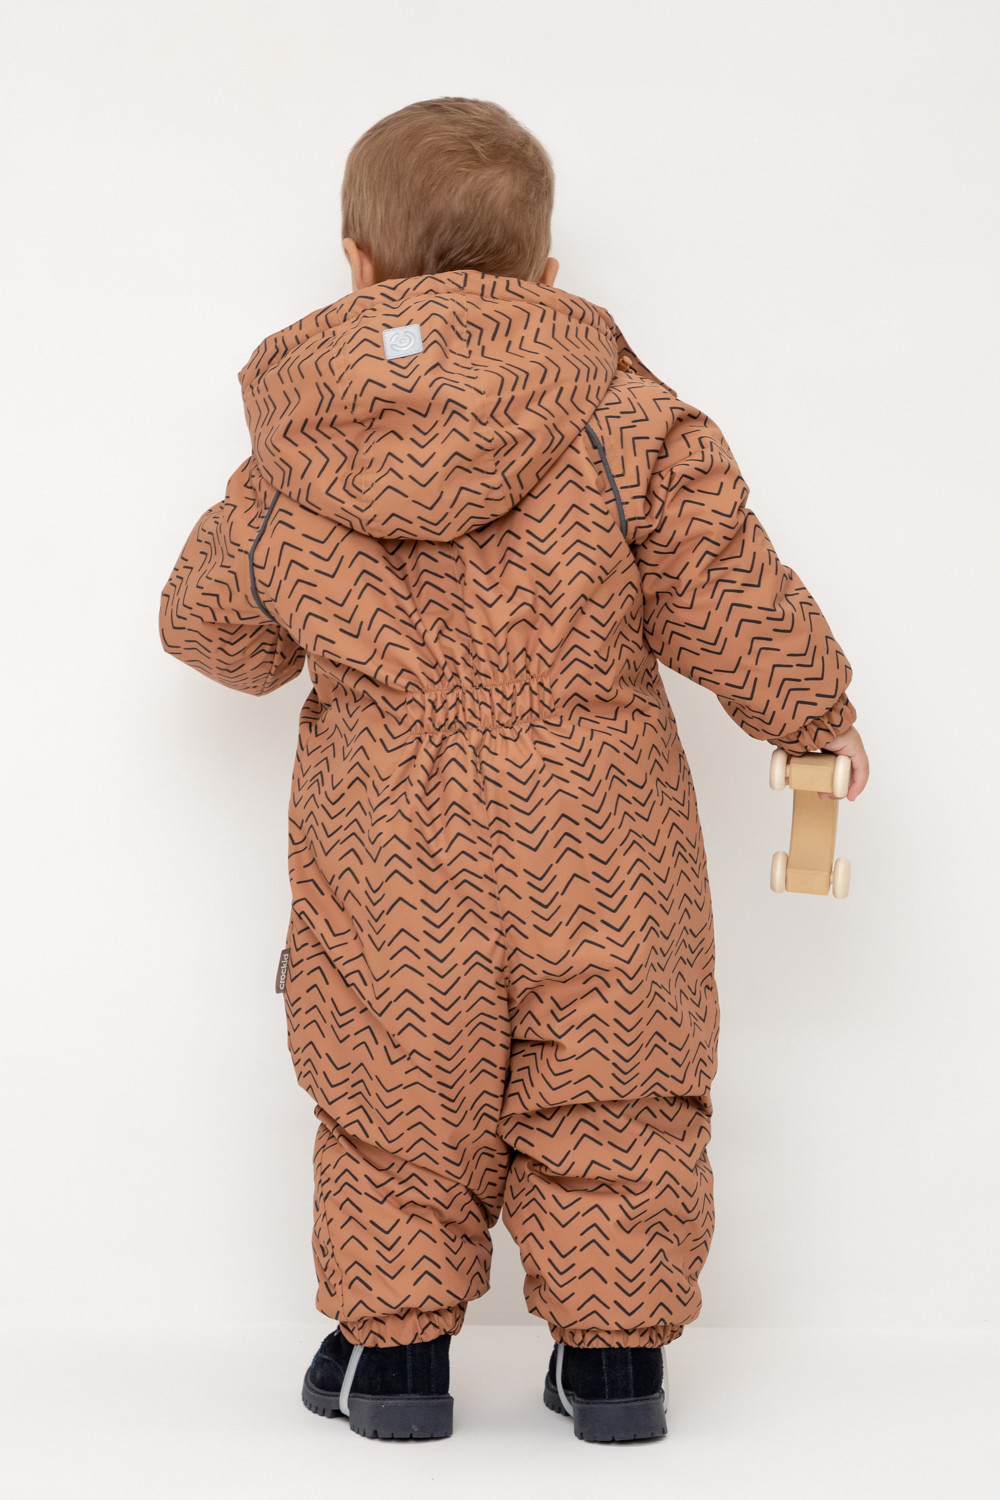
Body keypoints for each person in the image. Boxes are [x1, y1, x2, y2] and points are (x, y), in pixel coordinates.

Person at [158, 96, 869, 1444]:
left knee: (393, 1087)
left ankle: (398, 1370)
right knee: (616, 1081)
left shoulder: (302, 454)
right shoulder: (626, 418)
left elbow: (213, 635)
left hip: (385, 833)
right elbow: (723, 581)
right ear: (544, 274)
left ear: (356, 265)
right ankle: (615, 1372)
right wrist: (812, 713)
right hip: (604, 822)